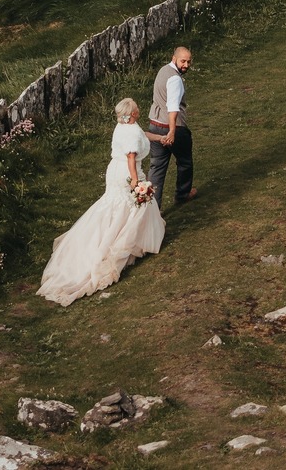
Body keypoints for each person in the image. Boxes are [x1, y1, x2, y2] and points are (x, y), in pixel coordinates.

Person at [35, 98, 166, 305]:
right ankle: (123, 244)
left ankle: (126, 238)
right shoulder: (131, 130)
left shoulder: (123, 126)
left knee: (118, 205)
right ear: (132, 113)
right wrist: (134, 180)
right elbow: (132, 156)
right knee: (133, 204)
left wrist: (159, 138)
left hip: (114, 169)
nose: (139, 109)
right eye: (136, 108)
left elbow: (142, 135)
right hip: (127, 171)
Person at [146, 46, 194, 206]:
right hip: (172, 127)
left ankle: (152, 207)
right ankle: (182, 194)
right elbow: (173, 107)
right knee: (185, 161)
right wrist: (172, 131)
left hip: (154, 125)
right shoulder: (175, 79)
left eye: (189, 61)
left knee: (157, 166)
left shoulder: (162, 71)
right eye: (183, 61)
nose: (186, 65)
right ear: (174, 59)